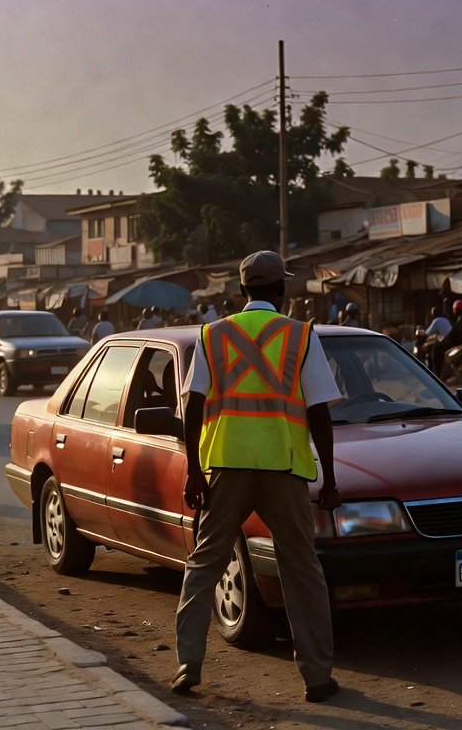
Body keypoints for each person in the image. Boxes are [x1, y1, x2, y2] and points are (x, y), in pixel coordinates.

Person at [173, 250, 342, 704]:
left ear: (241, 291)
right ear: (282, 292)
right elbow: (319, 412)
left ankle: (188, 664)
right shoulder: (301, 336)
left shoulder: (213, 335)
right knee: (302, 571)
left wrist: (194, 470)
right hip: (284, 469)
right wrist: (329, 477)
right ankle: (317, 678)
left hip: (226, 466)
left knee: (204, 563)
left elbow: (193, 406)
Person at [422, 307, 453, 375]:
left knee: (434, 352)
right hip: (450, 341)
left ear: (434, 314)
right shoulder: (445, 319)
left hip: (444, 342)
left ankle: (436, 373)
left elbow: (428, 332)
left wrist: (423, 333)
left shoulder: (436, 320)